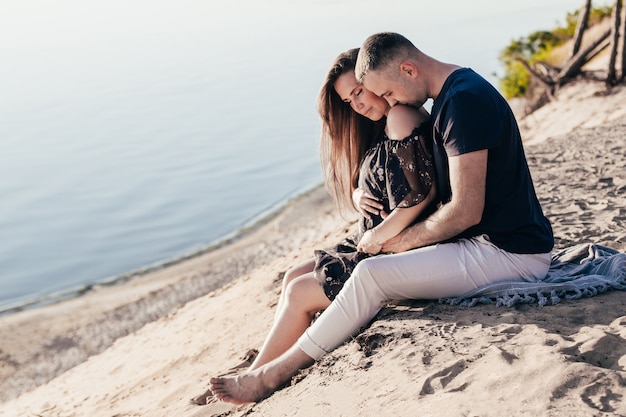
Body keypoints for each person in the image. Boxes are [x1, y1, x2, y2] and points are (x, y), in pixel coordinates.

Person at [208, 32, 554, 404]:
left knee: (371, 275)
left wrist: (393, 244)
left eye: (386, 94)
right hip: (485, 242)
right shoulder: (454, 96)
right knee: (329, 274)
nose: (387, 104)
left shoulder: (463, 102)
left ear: (407, 69)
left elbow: (464, 210)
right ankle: (266, 364)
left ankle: (273, 375)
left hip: (509, 252)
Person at [191, 47, 437, 405]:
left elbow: (422, 192)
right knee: (293, 276)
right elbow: (384, 175)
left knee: (298, 292)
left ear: (374, 80)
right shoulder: (385, 124)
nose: (356, 104)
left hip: (392, 245)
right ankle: (266, 358)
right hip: (372, 240)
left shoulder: (400, 116)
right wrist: (356, 194)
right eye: (348, 99)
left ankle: (258, 375)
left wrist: (376, 236)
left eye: (358, 91)